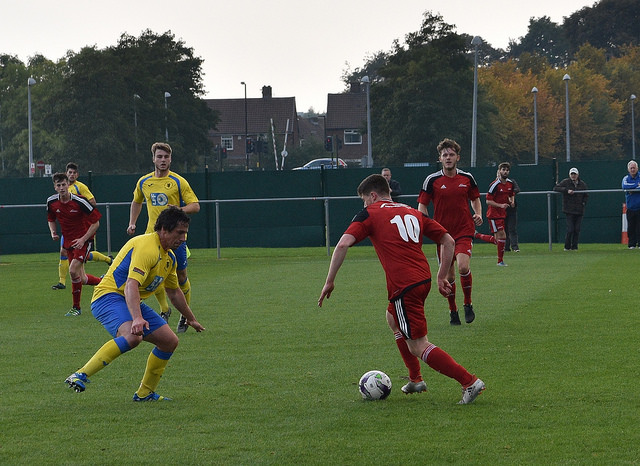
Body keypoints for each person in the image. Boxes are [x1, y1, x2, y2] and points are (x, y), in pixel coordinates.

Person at [318, 174, 485, 404]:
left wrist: (330, 281)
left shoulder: (371, 212)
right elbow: (448, 240)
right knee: (392, 317)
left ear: (373, 196)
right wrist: (441, 274)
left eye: (364, 200)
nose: (364, 205)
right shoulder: (411, 211)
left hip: (404, 285)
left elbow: (343, 243)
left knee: (418, 345)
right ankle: (416, 380)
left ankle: (469, 381)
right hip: (422, 280)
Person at [65, 206, 205, 401]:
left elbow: (173, 292)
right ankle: (80, 374)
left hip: (129, 300)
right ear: (164, 229)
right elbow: (131, 284)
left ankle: (145, 393)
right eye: (179, 233)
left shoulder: (169, 257)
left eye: (185, 233)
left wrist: (191, 319)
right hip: (108, 297)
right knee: (133, 336)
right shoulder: (147, 246)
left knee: (169, 341)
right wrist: (137, 318)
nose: (183, 239)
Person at [127, 142, 200, 333]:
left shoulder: (178, 181)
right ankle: (164, 309)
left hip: (175, 239)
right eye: (159, 157)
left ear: (170, 159)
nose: (163, 160)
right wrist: (132, 222)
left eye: (166, 157)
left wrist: (179, 210)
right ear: (153, 159)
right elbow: (136, 202)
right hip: (152, 238)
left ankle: (185, 315)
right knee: (153, 275)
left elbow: (195, 205)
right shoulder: (144, 182)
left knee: (181, 276)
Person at [417, 138, 483, 325]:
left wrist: (478, 213)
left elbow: (475, 198)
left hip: (463, 230)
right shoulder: (432, 180)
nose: (448, 158)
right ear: (440, 158)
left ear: (457, 157)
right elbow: (422, 205)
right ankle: (452, 310)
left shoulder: (467, 178)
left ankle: (468, 303)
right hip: (443, 235)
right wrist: (428, 224)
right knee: (450, 276)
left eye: (451, 154)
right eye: (445, 155)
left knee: (463, 266)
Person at [47, 173, 103, 316]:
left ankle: (76, 308)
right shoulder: (52, 202)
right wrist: (53, 232)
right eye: (58, 185)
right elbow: (51, 218)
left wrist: (83, 239)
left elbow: (96, 223)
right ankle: (104, 282)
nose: (61, 188)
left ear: (68, 185)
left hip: (84, 241)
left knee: (72, 271)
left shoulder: (80, 202)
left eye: (64, 184)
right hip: (68, 242)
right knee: (82, 278)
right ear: (55, 187)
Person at [51, 162, 113, 290]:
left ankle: (107, 259)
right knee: (81, 277)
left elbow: (92, 202)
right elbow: (52, 215)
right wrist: (54, 231)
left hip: (82, 230)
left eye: (74, 173)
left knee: (79, 261)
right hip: (68, 232)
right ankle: (62, 282)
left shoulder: (80, 187)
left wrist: (81, 212)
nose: (72, 175)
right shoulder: (55, 197)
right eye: (70, 172)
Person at [485, 162, 516, 266]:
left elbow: (512, 194)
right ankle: (500, 261)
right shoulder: (494, 185)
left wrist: (511, 201)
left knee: (498, 240)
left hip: (502, 214)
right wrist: (500, 205)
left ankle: (476, 235)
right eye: (503, 169)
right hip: (493, 215)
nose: (505, 171)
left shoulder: (510, 184)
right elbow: (488, 201)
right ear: (499, 171)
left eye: (507, 170)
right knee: (502, 236)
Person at [554, 167, 588, 251]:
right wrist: (566, 190)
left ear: (577, 175)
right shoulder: (566, 182)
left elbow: (586, 195)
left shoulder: (582, 184)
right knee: (570, 229)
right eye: (572, 174)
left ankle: (574, 246)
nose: (573, 176)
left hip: (579, 210)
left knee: (577, 229)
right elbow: (556, 188)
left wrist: (583, 203)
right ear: (569, 175)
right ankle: (567, 246)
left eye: (574, 174)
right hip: (569, 210)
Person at [622, 160, 640, 248]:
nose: (633, 170)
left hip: (639, 207)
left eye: (634, 168)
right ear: (628, 169)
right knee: (631, 227)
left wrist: (633, 189)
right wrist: (637, 186)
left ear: (637, 168)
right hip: (630, 207)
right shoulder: (626, 178)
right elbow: (624, 186)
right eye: (631, 168)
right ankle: (631, 245)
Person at [504, 176, 521, 253]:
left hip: (512, 210)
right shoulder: (496, 184)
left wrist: (510, 193)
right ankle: (506, 248)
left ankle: (515, 247)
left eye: (506, 170)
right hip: (502, 210)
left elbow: (517, 189)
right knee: (504, 230)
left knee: (512, 229)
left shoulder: (511, 182)